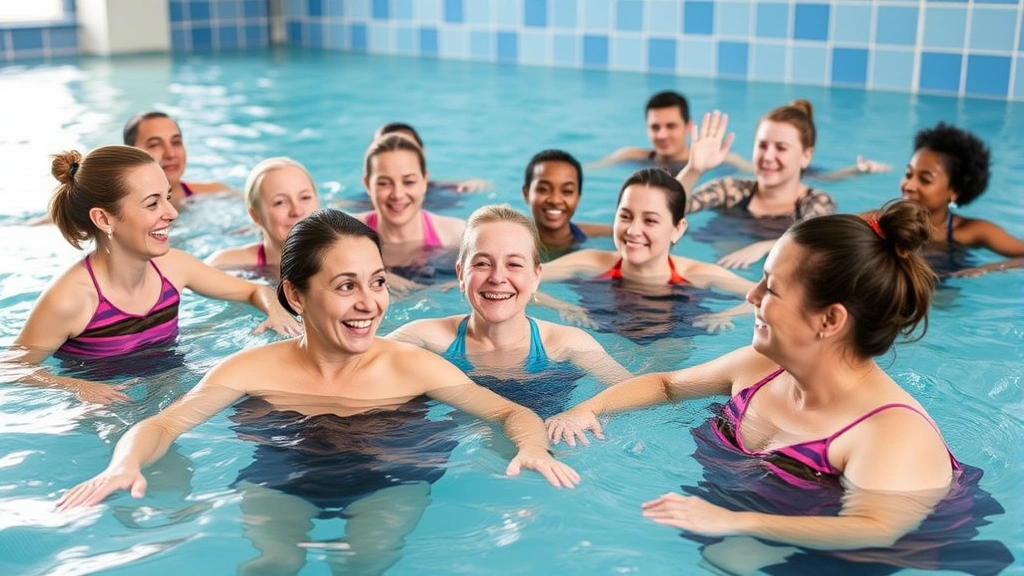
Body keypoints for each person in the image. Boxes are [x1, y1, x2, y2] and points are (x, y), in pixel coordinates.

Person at [56, 209, 580, 575]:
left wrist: (532, 447)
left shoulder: (413, 367)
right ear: (294, 295)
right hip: (283, 472)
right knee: (273, 564)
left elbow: (510, 412)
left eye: (376, 282)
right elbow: (165, 422)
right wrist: (122, 465)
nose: (370, 304)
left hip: (392, 472)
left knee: (366, 559)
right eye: (345, 285)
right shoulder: (254, 368)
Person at [546, 201, 1012, 574]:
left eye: (770, 288)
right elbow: (667, 385)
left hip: (887, 551)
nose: (751, 297)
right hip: (767, 507)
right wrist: (587, 409)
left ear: (829, 320)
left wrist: (735, 521)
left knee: (731, 558)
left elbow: (875, 528)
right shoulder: (763, 365)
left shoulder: (891, 433)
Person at [9, 146, 301, 405]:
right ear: (104, 219)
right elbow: (12, 367)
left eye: (168, 198)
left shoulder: (173, 267)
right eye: (153, 203)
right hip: (110, 404)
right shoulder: (72, 299)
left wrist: (276, 309)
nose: (172, 213)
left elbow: (252, 290)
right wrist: (76, 388)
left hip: (170, 380)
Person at [388, 204, 631, 418]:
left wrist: (586, 410)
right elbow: (356, 365)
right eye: (482, 263)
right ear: (461, 274)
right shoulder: (426, 339)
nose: (497, 277)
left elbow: (637, 389)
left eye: (514, 264)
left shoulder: (565, 345)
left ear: (536, 276)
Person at [540, 168, 753, 345]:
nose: (633, 230)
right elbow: (518, 279)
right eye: (625, 216)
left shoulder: (699, 276)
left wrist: (725, 315)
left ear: (678, 229)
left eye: (650, 220)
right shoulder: (590, 263)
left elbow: (770, 295)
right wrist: (563, 306)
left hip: (674, 337)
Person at [675, 101, 838, 269]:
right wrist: (693, 170)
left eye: (781, 148)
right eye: (762, 145)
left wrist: (763, 247)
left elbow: (813, 240)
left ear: (806, 156)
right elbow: (669, 210)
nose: (768, 156)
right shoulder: (731, 190)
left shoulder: (817, 201)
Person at [892, 122, 1024, 277]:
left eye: (925, 180)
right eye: (908, 174)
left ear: (954, 191)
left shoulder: (969, 231)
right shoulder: (887, 221)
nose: (909, 186)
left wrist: (985, 268)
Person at [354, 133, 465, 285]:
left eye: (409, 182)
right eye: (384, 183)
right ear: (367, 185)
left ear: (424, 181)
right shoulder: (348, 234)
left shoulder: (455, 236)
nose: (397, 194)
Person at [591, 90, 747, 175]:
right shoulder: (629, 156)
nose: (662, 135)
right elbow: (589, 171)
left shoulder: (722, 160)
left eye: (671, 126)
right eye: (655, 127)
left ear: (688, 127)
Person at [205, 157, 320, 270]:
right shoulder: (226, 265)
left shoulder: (337, 251)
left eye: (305, 197)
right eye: (280, 202)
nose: (297, 211)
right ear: (255, 216)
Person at [123, 111, 231, 207]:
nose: (171, 154)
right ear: (131, 155)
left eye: (176, 142)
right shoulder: (120, 212)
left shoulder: (218, 193)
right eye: (155, 145)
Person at [521, 149, 612, 259]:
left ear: (578, 198)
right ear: (526, 194)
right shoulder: (513, 240)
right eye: (543, 189)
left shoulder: (602, 235)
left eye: (567, 191)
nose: (555, 200)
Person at [373, 122, 492, 193]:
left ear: (422, 152)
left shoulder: (437, 189)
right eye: (388, 147)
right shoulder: (365, 203)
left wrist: (475, 185)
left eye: (407, 147)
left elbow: (482, 184)